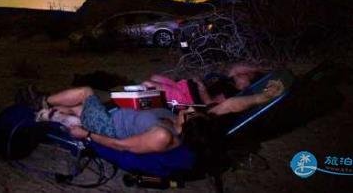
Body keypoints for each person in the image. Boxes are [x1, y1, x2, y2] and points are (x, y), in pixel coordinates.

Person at [21, 86, 214, 154]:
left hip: (106, 127)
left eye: (191, 112)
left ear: (188, 124)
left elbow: (122, 145)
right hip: (112, 114)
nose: (189, 108)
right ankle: (42, 113)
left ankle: (40, 102)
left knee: (85, 92)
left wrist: (87, 134)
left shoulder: (163, 136)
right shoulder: (173, 120)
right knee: (73, 108)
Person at [141, 62, 280, 115]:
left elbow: (211, 107)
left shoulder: (234, 94)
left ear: (247, 84)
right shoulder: (230, 81)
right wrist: (262, 69)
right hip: (187, 88)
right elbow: (237, 67)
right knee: (155, 78)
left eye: (247, 76)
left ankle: (131, 108)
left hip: (189, 100)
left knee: (148, 85)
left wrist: (202, 88)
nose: (242, 74)